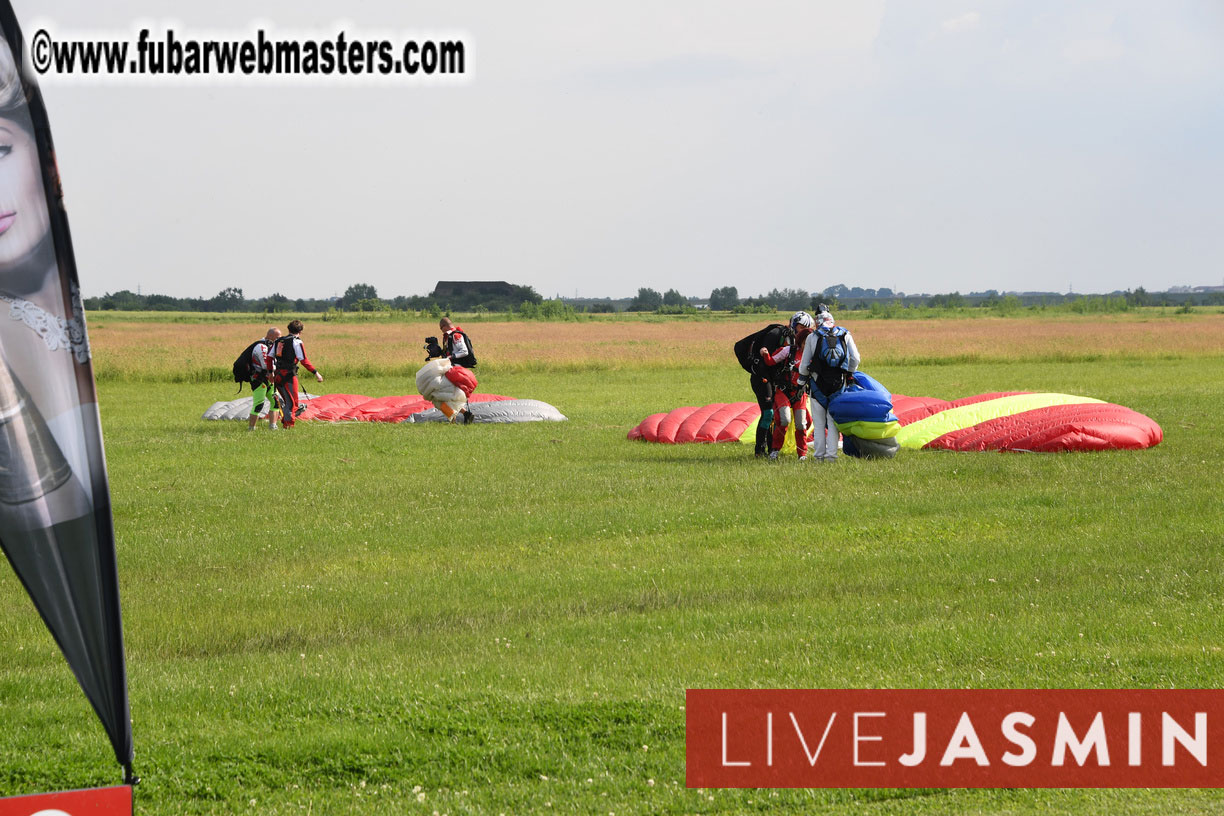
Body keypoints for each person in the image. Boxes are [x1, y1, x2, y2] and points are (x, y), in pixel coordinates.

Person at [798, 307, 861, 462]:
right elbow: (856, 359)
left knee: (819, 424)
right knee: (833, 423)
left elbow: (805, 364)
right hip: (839, 384)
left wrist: (801, 382)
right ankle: (831, 456)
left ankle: (819, 456)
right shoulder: (845, 334)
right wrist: (850, 373)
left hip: (817, 384)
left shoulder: (813, 337)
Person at [733, 319, 796, 457]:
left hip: (771, 379)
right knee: (768, 414)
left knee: (772, 414)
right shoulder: (775, 334)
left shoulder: (791, 339)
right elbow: (767, 361)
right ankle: (759, 451)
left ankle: (771, 449)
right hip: (761, 378)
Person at [760, 311, 815, 460]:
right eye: (806, 342)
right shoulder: (788, 350)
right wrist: (765, 354)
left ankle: (802, 454)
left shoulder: (814, 356)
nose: (808, 345)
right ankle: (775, 451)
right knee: (784, 420)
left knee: (802, 424)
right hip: (784, 391)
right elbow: (771, 361)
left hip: (800, 393)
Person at [272, 319, 323, 429]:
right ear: (300, 331)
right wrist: (316, 373)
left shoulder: (278, 341)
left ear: (289, 329)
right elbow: (304, 360)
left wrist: (269, 373)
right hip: (289, 376)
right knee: (292, 404)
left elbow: (269, 357)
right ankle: (288, 426)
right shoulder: (297, 342)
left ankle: (286, 423)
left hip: (277, 376)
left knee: (287, 401)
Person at [247, 327, 281, 431]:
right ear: (270, 336)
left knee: (276, 402)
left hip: (270, 379)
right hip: (259, 379)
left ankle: (273, 426)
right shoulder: (261, 346)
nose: (279, 340)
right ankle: (251, 428)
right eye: (277, 337)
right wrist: (279, 368)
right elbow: (266, 365)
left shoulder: (271, 346)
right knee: (259, 404)